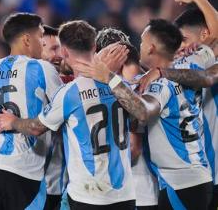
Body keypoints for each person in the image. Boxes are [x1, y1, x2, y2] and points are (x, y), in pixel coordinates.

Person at [0, 20, 136, 210]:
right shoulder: (120, 85)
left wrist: (14, 122)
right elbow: (139, 116)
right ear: (94, 47)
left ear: (65, 52)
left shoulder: (69, 92)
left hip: (88, 195)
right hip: (125, 194)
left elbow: (36, 127)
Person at [75, 19, 213, 210]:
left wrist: (109, 77)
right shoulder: (190, 66)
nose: (139, 46)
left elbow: (143, 111)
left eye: (142, 41)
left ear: (151, 48)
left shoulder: (160, 86)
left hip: (181, 183)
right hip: (194, 178)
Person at [0, 12, 63, 210]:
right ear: (27, 39)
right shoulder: (42, 68)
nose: (42, 43)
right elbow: (63, 112)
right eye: (40, 36)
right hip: (24, 172)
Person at [135, 0, 218, 210]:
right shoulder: (191, 64)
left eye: (186, 41)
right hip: (200, 171)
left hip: (192, 175)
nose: (182, 48)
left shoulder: (184, 71)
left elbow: (208, 75)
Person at [95, 27, 159, 210]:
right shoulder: (144, 79)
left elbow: (134, 148)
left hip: (138, 190)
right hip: (138, 189)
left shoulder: (132, 88)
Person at [41, 24, 68, 210]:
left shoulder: (71, 84)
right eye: (53, 49)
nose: (58, 55)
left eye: (60, 48)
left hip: (60, 186)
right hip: (36, 184)